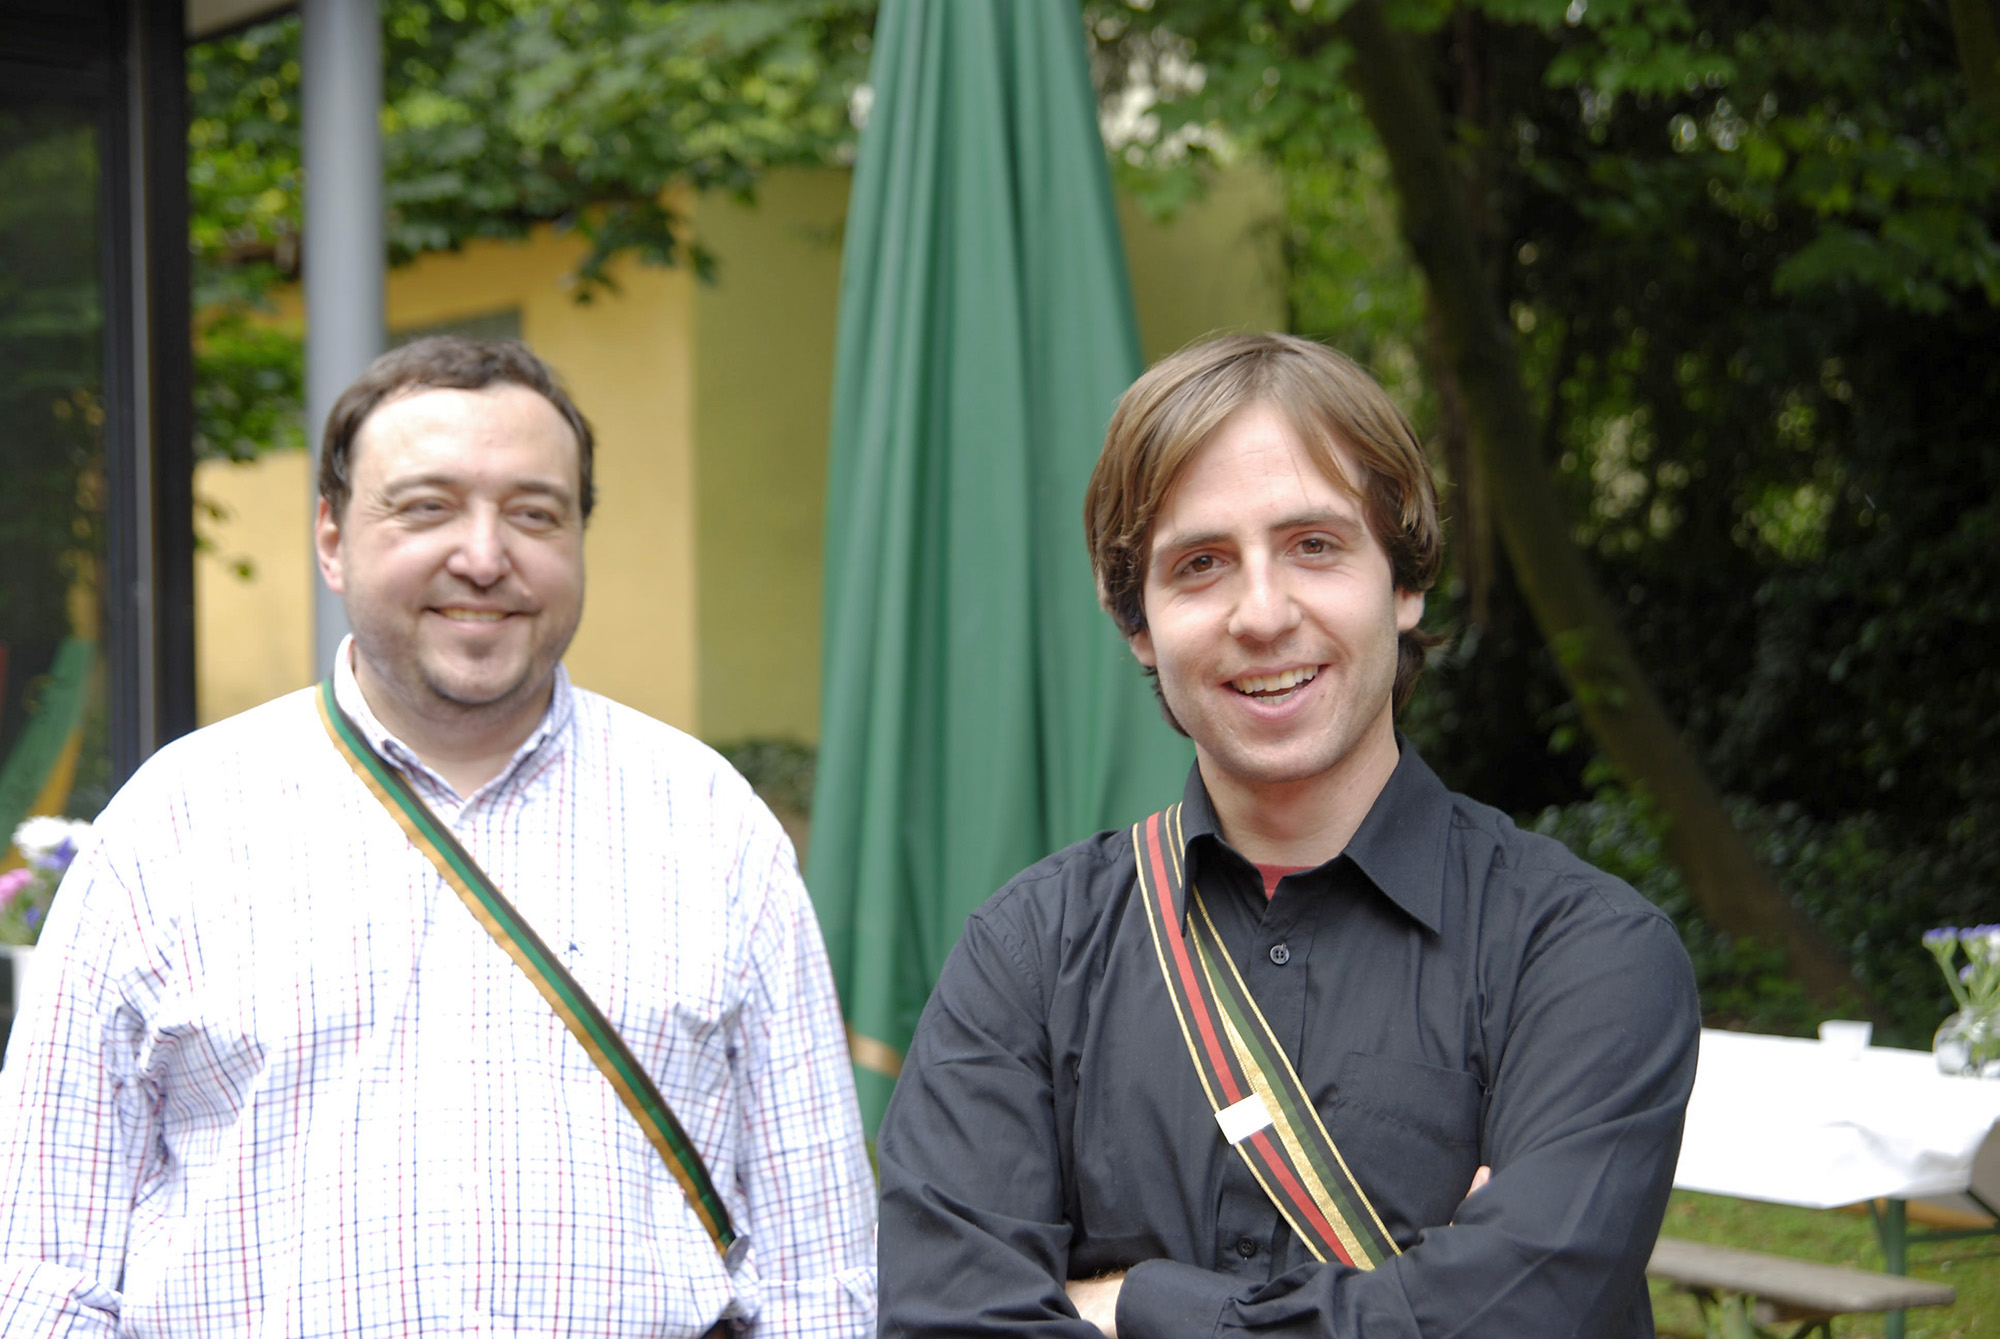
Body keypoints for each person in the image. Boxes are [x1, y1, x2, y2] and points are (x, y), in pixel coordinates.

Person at [0, 337, 875, 1337]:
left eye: (535, 513)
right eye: (427, 507)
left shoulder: (712, 827)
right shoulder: (171, 827)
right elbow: (40, 1270)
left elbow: (822, 1276)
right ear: (332, 538)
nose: (485, 556)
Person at [876, 333, 1699, 1338]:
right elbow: (946, 1320)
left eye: (1314, 545)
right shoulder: (1028, 957)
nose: (1261, 614)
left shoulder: (1581, 954)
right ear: (1137, 622)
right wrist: (1410, 1300)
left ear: (1405, 583)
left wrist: (1132, 1302)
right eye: (1200, 564)